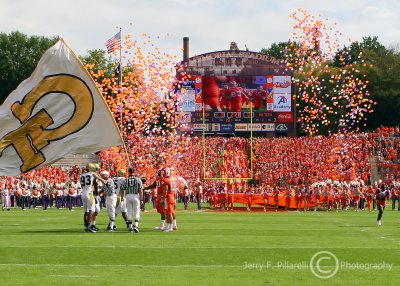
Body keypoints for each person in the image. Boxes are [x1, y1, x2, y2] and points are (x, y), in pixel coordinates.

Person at [122, 167, 143, 233]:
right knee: (137, 211)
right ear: (134, 172)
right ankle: (136, 225)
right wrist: (141, 199)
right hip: (135, 196)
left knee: (129, 212)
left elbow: (122, 189)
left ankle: (130, 227)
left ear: (128, 172)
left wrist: (122, 196)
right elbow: (140, 190)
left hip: (128, 196)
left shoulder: (126, 180)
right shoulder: (138, 179)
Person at [79, 163, 97, 233]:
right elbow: (95, 182)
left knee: (86, 211)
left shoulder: (81, 175)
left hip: (83, 193)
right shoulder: (92, 174)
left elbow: (82, 186)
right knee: (91, 210)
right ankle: (89, 226)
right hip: (89, 194)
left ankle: (86, 226)